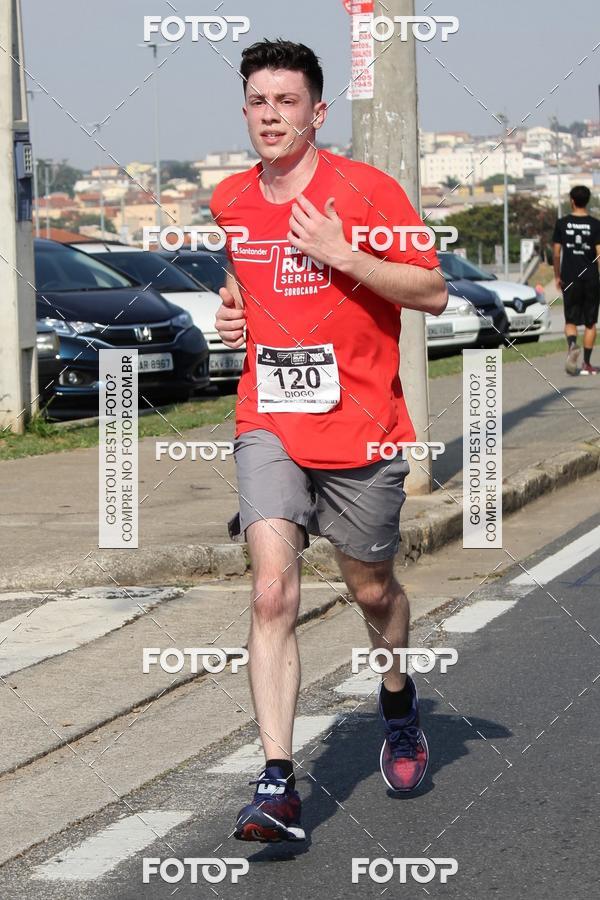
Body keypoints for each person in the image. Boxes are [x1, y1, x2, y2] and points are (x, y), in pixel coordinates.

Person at [211, 39, 448, 843]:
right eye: (257, 101)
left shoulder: (368, 191)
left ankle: (398, 699)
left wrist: (342, 254)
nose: (270, 115)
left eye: (286, 101)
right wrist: (234, 305)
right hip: (268, 420)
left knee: (372, 590)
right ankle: (277, 783)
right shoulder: (232, 199)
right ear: (246, 111)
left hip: (363, 428)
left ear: (318, 111)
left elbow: (435, 291)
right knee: (272, 590)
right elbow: (244, 271)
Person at [552, 185, 600, 375]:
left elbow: (556, 253)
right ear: (587, 201)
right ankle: (587, 364)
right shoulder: (596, 224)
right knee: (590, 322)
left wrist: (557, 275)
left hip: (569, 277)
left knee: (570, 319)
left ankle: (572, 345)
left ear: (572, 200)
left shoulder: (562, 223)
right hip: (590, 278)